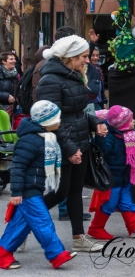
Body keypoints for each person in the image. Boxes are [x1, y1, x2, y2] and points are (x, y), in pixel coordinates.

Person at [36, 35, 108, 253]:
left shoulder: (75, 75)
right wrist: (69, 149)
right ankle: (21, 223)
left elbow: (78, 112)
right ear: (70, 57)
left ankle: (79, 237)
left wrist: (95, 122)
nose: (88, 60)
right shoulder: (50, 80)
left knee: (75, 191)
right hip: (62, 144)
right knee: (59, 193)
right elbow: (49, 121)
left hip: (79, 141)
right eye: (84, 56)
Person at [0, 101, 76, 270]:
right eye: (57, 119)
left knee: (20, 225)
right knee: (43, 222)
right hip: (28, 189)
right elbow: (18, 167)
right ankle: (56, 254)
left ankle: (2, 253)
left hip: (34, 187)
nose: (59, 122)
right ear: (46, 121)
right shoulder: (30, 141)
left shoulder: (46, 138)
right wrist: (16, 191)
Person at [87, 105, 135, 240]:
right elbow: (103, 151)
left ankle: (133, 226)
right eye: (131, 120)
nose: (134, 122)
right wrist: (100, 138)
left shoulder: (129, 135)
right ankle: (95, 228)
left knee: (127, 202)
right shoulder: (108, 137)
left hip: (124, 177)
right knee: (109, 204)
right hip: (112, 179)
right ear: (122, 125)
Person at [85, 43, 107, 112]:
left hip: (98, 103)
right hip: (90, 103)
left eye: (97, 55)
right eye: (93, 55)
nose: (95, 58)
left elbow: (101, 89)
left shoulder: (98, 70)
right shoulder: (87, 68)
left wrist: (104, 102)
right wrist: (92, 42)